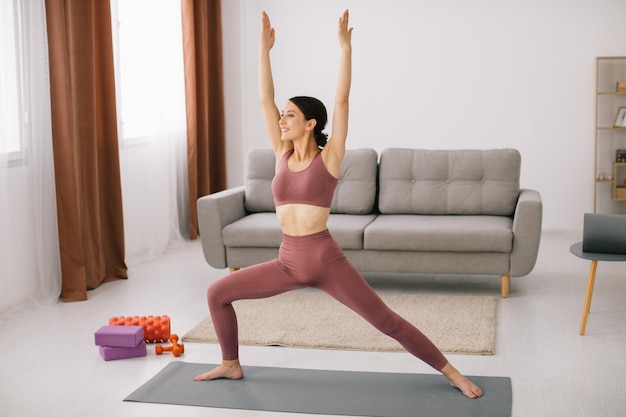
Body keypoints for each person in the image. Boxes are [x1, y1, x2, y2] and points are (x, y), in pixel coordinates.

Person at [194, 9, 483, 399]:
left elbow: (342, 101)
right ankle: (231, 363)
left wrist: (345, 50)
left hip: (325, 260)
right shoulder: (281, 152)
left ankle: (452, 373)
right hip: (287, 261)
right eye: (283, 115)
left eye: (290, 115)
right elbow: (265, 98)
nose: (282, 119)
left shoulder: (328, 158)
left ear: (311, 123)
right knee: (217, 293)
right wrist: (263, 52)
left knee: (386, 321)